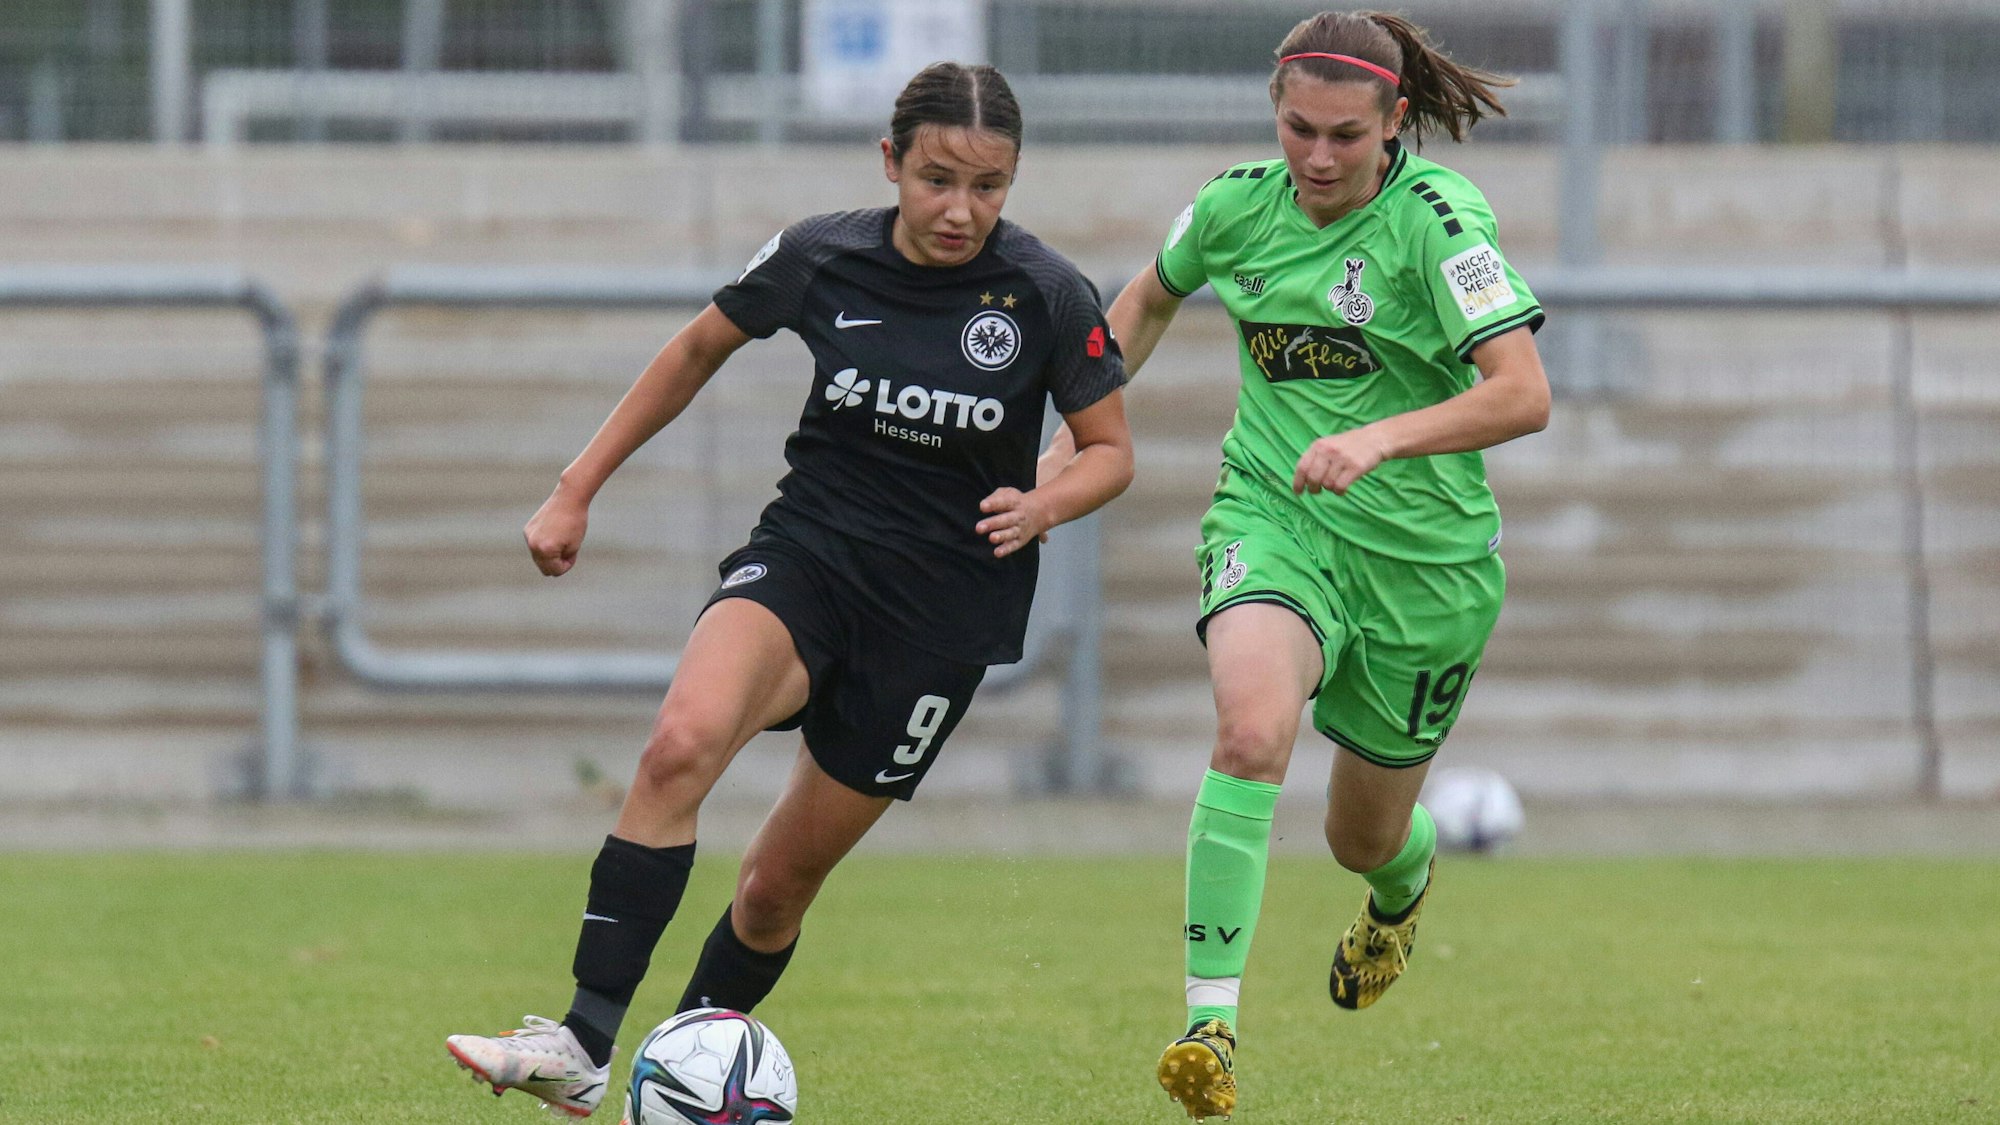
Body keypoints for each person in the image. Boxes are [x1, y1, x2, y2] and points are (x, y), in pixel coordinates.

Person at [444, 61, 1132, 1118]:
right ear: (891, 161)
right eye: (937, 178)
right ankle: (579, 1045)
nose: (960, 210)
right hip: (809, 556)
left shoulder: (1043, 294)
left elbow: (1107, 452)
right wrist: (575, 487)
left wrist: (1045, 503)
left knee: (772, 890)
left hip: (940, 616)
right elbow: (694, 350)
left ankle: (682, 1074)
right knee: (680, 742)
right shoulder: (821, 254)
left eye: (988, 187)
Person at [1041, 12, 1549, 1120]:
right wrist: (1071, 431)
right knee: (1250, 731)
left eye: (1342, 137)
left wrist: (1376, 437)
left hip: (1425, 568)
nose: (1315, 159)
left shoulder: (1440, 223)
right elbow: (1144, 302)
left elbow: (1523, 394)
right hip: (1271, 519)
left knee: (1356, 833)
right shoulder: (1232, 204)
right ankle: (1208, 1025)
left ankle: (1398, 890)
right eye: (1295, 130)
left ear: (1394, 122)